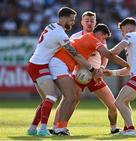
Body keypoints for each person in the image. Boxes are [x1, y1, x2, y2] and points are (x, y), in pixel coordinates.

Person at [48, 23, 130, 135]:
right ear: (100, 34)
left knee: (112, 105)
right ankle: (59, 127)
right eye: (104, 38)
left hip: (93, 74)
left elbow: (104, 57)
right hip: (80, 73)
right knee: (71, 99)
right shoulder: (91, 38)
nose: (103, 41)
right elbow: (109, 55)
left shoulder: (93, 39)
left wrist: (99, 69)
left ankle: (114, 128)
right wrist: (127, 65)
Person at [27, 7, 97, 136]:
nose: (72, 23)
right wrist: (91, 68)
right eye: (71, 20)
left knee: (46, 100)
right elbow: (75, 54)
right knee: (52, 96)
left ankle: (32, 129)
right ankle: (43, 129)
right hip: (39, 66)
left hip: (35, 64)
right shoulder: (61, 34)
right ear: (64, 18)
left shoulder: (51, 26)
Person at [106, 17, 136, 136]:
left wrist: (100, 51)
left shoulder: (131, 35)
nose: (122, 34)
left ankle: (131, 129)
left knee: (119, 102)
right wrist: (112, 73)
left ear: (128, 27)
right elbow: (129, 69)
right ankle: (128, 128)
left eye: (122, 30)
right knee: (124, 102)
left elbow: (115, 51)